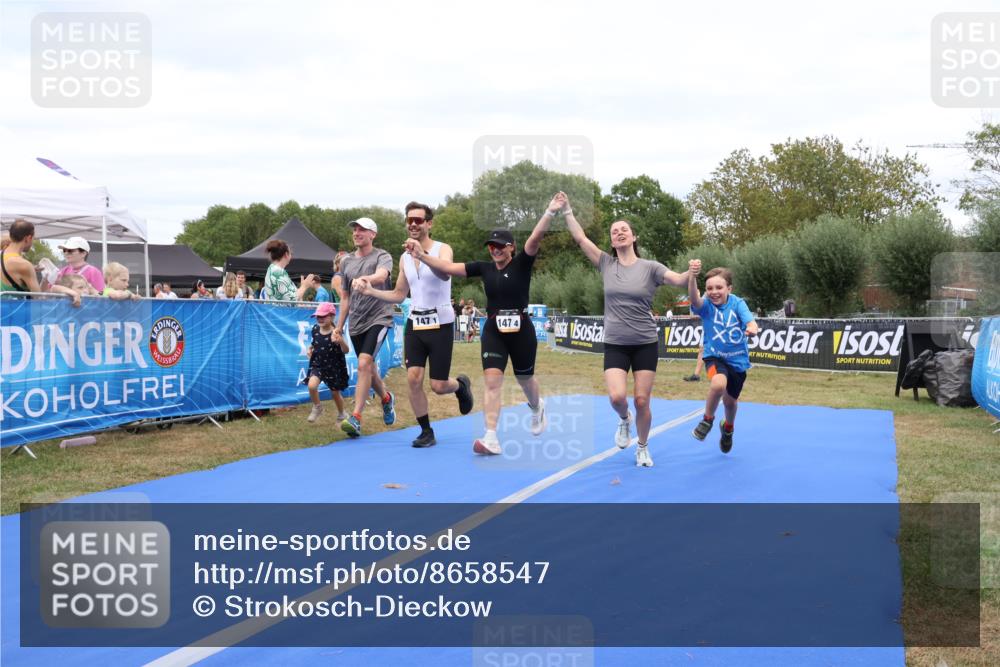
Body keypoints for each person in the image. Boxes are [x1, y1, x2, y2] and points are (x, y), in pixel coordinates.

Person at [404, 204, 555, 456]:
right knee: (492, 381)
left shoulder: (521, 264)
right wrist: (421, 256)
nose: (494, 249)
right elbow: (449, 269)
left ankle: (537, 406)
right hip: (494, 332)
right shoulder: (483, 268)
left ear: (511, 248)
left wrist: (550, 211)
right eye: (491, 246)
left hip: (522, 332)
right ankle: (491, 437)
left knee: (525, 379)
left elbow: (535, 237)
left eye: (500, 246)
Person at [560, 192, 691, 467]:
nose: (619, 233)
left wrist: (691, 273)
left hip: (644, 342)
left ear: (634, 238)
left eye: (624, 230)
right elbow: (581, 239)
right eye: (614, 231)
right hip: (616, 343)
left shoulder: (650, 268)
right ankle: (624, 420)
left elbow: (678, 280)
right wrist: (567, 210)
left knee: (642, 400)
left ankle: (642, 447)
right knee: (617, 397)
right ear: (612, 241)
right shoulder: (607, 264)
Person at [353, 201, 474, 448]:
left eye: (418, 220)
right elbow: (399, 294)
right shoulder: (405, 258)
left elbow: (446, 273)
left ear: (429, 223)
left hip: (441, 324)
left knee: (439, 386)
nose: (413, 224)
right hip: (416, 324)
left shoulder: (442, 249)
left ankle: (460, 386)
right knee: (413, 378)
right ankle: (426, 431)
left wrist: (422, 254)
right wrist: (371, 292)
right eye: (410, 220)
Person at [687, 261, 759, 453]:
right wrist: (692, 276)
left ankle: (728, 428)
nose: (714, 292)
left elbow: (750, 321)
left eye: (719, 287)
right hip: (714, 357)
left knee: (730, 402)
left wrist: (752, 328)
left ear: (729, 288)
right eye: (710, 288)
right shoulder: (706, 306)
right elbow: (694, 299)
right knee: (718, 384)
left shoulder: (737, 303)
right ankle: (707, 420)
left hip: (737, 361)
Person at [336, 217, 396, 438]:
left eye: (362, 229)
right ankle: (387, 399)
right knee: (369, 368)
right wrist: (339, 325)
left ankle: (356, 418)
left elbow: (382, 276)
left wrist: (365, 279)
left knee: (363, 363)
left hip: (379, 317)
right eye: (355, 229)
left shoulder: (382, 256)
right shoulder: (346, 262)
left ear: (373, 234)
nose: (357, 232)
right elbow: (345, 297)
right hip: (356, 323)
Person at [1, 221, 82, 305]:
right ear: (28, 238)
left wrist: (32, 269)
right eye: (33, 239)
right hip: (14, 313)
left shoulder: (3, 254)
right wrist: (51, 284)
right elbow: (38, 298)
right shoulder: (23, 265)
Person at [304, 302, 350, 425]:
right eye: (318, 316)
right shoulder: (315, 329)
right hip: (318, 364)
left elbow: (346, 350)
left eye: (323, 316)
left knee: (335, 393)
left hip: (333, 367)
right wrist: (310, 348)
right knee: (311, 386)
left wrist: (341, 341)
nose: (320, 319)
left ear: (332, 316)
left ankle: (342, 414)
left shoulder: (335, 333)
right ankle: (317, 407)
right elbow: (315, 343)